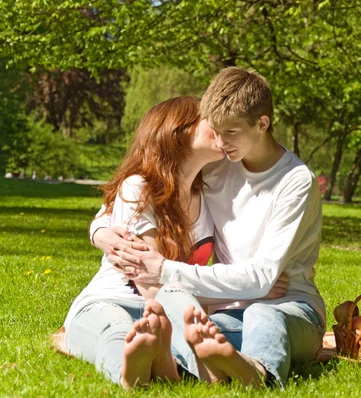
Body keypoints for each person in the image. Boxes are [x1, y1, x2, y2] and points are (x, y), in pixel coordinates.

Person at [91, 67, 326, 389]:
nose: (220, 141)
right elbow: (147, 190)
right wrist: (100, 230)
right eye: (215, 131)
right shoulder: (220, 167)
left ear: (262, 124)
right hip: (231, 307)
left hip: (290, 305)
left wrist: (164, 270)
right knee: (183, 318)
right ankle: (208, 368)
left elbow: (262, 279)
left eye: (230, 132)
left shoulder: (295, 181)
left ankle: (258, 372)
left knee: (263, 315)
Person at [63, 96, 287, 390]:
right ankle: (130, 373)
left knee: (208, 322)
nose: (221, 129)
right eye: (210, 122)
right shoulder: (139, 187)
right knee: (115, 332)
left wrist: (250, 290)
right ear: (179, 132)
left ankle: (176, 364)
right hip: (113, 300)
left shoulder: (208, 193)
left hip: (175, 312)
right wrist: (246, 292)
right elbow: (151, 285)